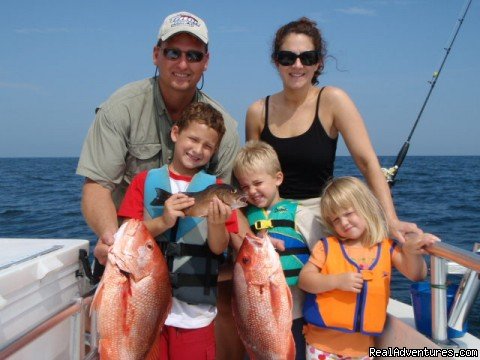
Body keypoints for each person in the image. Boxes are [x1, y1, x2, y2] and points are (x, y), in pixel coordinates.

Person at [76, 11, 242, 359]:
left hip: (195, 277)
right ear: (157, 55)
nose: (183, 63)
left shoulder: (224, 126)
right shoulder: (121, 108)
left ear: (206, 62)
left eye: (194, 55)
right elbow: (97, 187)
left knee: (233, 298)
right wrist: (114, 244)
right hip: (133, 246)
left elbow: (228, 203)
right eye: (173, 52)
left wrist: (252, 251)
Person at [245, 17, 419, 244]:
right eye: (288, 58)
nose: (297, 65)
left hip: (322, 220)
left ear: (319, 63)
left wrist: (391, 219)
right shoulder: (257, 111)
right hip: (273, 222)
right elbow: (249, 176)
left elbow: (367, 163)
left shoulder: (334, 100)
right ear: (276, 61)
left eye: (307, 58)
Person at [118, 102, 237, 359]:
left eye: (207, 146)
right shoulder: (143, 182)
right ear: (175, 133)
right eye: (193, 139)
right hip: (146, 309)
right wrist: (163, 222)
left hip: (194, 317)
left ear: (214, 151)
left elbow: (218, 248)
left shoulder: (218, 188)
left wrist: (216, 223)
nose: (198, 150)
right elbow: (126, 238)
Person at [298, 177, 437, 359]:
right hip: (322, 348)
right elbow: (305, 280)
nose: (344, 223)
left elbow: (416, 275)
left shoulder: (386, 247)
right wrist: (336, 281)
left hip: (363, 351)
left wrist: (411, 251)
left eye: (348, 214)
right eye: (336, 220)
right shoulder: (326, 247)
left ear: (365, 207)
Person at [233, 140, 319, 359]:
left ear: (278, 178)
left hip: (297, 312)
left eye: (258, 182)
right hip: (257, 314)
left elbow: (323, 253)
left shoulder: (299, 214)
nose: (252, 191)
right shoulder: (245, 218)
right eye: (245, 187)